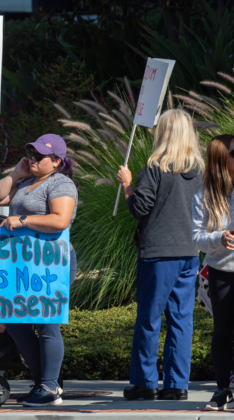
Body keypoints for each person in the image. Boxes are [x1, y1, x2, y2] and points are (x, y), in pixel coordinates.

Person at [116, 109, 204, 402]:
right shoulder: (200, 171)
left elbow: (139, 208)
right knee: (181, 320)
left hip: (158, 253)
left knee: (149, 319)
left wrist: (128, 186)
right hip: (189, 252)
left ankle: (145, 383)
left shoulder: (156, 167)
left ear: (163, 133)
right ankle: (177, 384)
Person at [0, 134, 78, 406]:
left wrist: (23, 220)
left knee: (46, 323)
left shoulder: (61, 183)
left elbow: (60, 219)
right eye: (31, 153)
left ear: (57, 161)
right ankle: (43, 383)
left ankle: (49, 387)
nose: (33, 159)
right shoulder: (25, 182)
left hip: (51, 262)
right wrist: (16, 173)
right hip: (22, 262)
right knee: (15, 322)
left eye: (39, 156)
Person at [192, 133, 234, 411]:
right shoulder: (204, 196)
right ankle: (223, 391)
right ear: (222, 159)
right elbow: (194, 238)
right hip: (221, 270)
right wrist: (218, 237)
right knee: (223, 332)